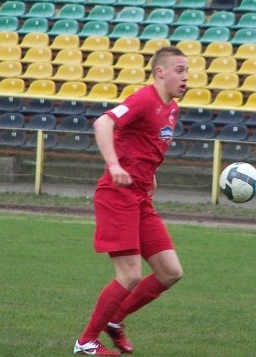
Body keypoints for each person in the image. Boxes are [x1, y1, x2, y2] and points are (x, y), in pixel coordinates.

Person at [73, 46, 189, 356]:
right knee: (130, 275)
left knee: (170, 272)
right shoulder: (143, 100)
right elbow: (103, 123)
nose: (185, 77)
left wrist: (149, 173)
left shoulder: (172, 108)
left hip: (140, 198)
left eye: (187, 71)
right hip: (117, 195)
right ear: (160, 72)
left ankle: (115, 319)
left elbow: (145, 144)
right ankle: (86, 342)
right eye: (179, 70)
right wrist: (114, 165)